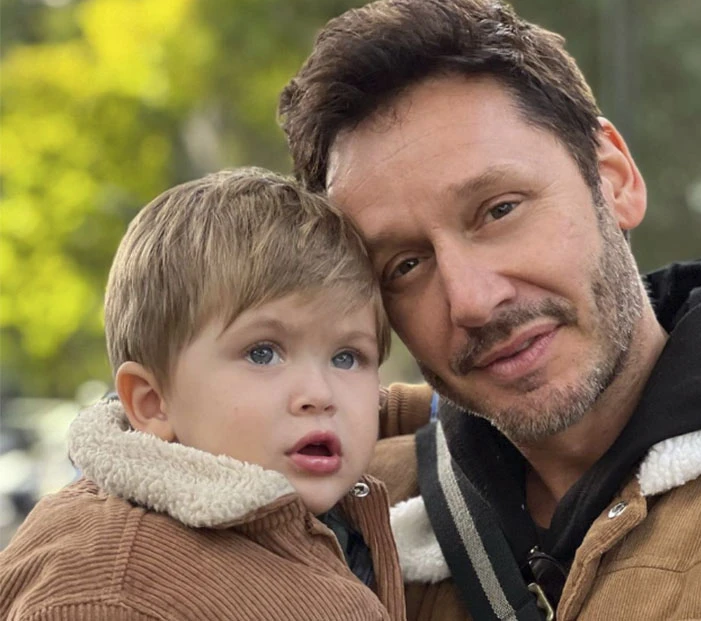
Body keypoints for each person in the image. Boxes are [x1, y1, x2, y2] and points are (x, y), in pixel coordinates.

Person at [279, 1, 701, 619]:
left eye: (500, 210)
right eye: (405, 265)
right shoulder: (340, 512)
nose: (473, 301)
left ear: (614, 178)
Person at [0, 168, 407, 620]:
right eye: (263, 353)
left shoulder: (335, 518)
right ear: (153, 403)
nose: (320, 393)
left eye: (346, 357)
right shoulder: (108, 590)